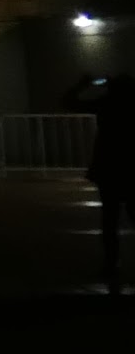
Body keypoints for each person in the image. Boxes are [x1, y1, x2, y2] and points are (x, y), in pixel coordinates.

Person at [69, 76, 120, 288]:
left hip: (108, 166)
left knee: (110, 219)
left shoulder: (106, 103)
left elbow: (69, 102)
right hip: (130, 166)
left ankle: (110, 263)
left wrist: (82, 84)